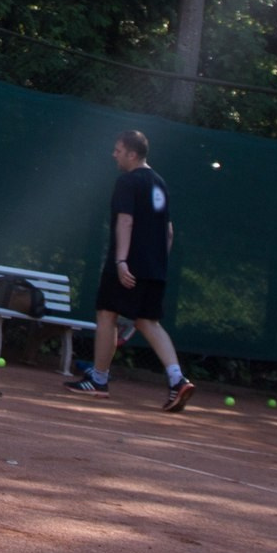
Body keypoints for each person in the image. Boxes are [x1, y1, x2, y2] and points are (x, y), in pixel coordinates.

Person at [66, 128, 197, 411]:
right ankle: (177, 380)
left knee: (106, 313)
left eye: (118, 150)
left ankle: (98, 380)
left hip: (128, 266)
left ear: (132, 154)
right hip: (155, 267)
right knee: (148, 321)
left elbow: (125, 221)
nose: (114, 154)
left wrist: (122, 261)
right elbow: (169, 231)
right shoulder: (160, 183)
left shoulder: (127, 181)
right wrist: (158, 261)